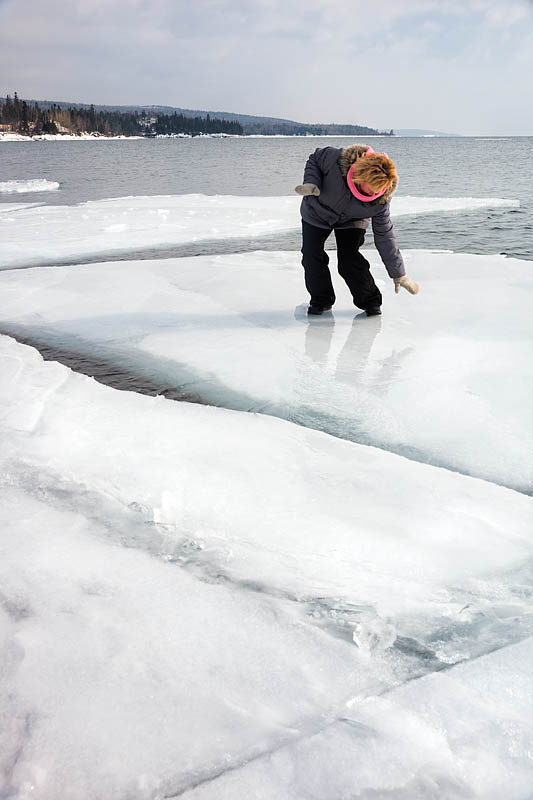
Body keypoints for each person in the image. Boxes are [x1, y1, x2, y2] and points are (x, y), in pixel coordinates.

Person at [296, 144, 419, 315]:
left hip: (352, 219)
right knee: (311, 254)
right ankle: (321, 300)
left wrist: (399, 274)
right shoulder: (336, 159)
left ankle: (370, 302)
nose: (369, 193)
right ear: (358, 175)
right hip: (317, 211)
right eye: (365, 187)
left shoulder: (380, 202)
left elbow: (385, 236)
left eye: (373, 191)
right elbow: (314, 158)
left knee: (349, 259)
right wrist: (311, 182)